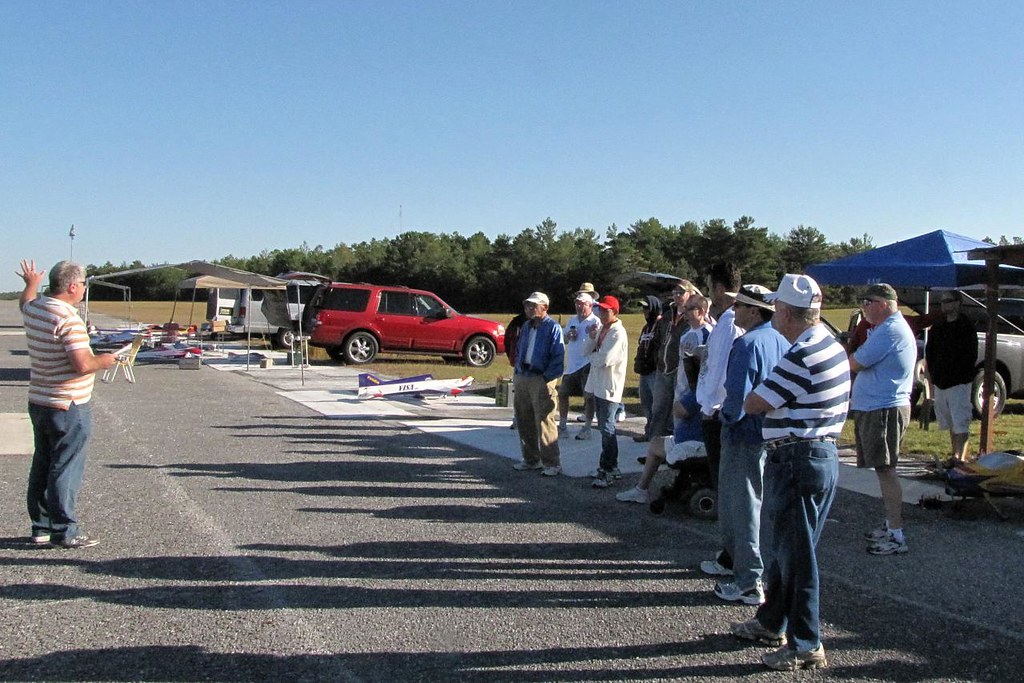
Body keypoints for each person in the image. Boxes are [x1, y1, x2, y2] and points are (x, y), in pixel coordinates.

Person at [730, 273, 850, 672]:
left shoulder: (800, 355)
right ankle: (771, 622)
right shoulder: (829, 345)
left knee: (797, 559)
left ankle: (806, 643)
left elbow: (754, 402)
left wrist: (758, 393)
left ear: (783, 311)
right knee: (789, 553)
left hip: (796, 458)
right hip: (819, 454)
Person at [17, 259, 117, 549]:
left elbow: (25, 302)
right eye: (84, 284)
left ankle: (41, 525)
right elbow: (82, 364)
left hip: (39, 399)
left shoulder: (36, 308)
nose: (84, 289)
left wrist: (30, 284)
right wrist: (107, 360)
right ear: (73, 286)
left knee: (43, 462)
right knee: (65, 467)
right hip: (68, 403)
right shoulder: (69, 319)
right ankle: (65, 530)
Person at [711, 285, 789, 606]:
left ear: (754, 311)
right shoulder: (781, 341)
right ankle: (732, 559)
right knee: (756, 501)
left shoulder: (746, 344)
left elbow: (737, 398)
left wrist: (724, 419)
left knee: (742, 504)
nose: (735, 311)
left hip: (744, 433)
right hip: (771, 433)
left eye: (741, 306)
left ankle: (748, 580)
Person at [850, 283, 917, 555]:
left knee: (887, 470)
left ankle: (897, 534)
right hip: (878, 408)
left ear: (885, 304)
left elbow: (856, 361)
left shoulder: (889, 330)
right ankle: (891, 524)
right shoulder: (884, 329)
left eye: (869, 301)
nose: (864, 306)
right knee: (882, 469)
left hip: (885, 410)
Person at [696, 262, 743, 578]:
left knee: (725, 486)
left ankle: (730, 555)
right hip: (723, 410)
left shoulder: (728, 323)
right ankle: (735, 550)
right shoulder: (732, 319)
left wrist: (709, 407)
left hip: (718, 412)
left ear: (717, 288)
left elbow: (719, 372)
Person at [617, 352, 705, 503]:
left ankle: (641, 489)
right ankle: (669, 485)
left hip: (695, 443)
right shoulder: (704, 389)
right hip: (689, 439)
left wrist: (678, 400)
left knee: (656, 446)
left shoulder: (701, 390)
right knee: (657, 442)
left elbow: (679, 411)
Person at [512, 292, 565, 476]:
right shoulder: (526, 326)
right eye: (527, 305)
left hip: (541, 378)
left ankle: (552, 463)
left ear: (545, 308)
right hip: (523, 376)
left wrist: (547, 377)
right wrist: (517, 371)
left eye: (534, 306)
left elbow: (558, 355)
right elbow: (520, 349)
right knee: (523, 419)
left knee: (544, 420)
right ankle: (531, 459)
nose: (529, 309)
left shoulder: (553, 327)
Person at [924, 291, 978, 464]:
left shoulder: (966, 326)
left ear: (957, 303)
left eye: (947, 301)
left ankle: (960, 456)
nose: (943, 305)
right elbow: (930, 351)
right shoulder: (938, 327)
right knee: (948, 420)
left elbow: (971, 354)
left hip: (959, 381)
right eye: (941, 302)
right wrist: (932, 375)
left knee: (960, 419)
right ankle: (954, 453)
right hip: (941, 381)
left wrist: (960, 371)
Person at [583, 296, 629, 488]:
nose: (601, 314)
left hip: (610, 386)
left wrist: (594, 355)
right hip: (598, 384)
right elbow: (586, 351)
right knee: (604, 427)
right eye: (600, 310)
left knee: (607, 428)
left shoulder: (618, 332)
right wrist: (592, 338)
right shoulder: (602, 329)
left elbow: (606, 359)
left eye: (606, 311)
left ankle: (608, 468)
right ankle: (612, 466)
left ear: (615, 312)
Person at [648, 280, 701, 443]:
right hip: (663, 368)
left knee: (677, 410)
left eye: (681, 292)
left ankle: (675, 445)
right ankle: (653, 446)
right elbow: (658, 338)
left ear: (691, 294)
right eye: (675, 292)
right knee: (658, 409)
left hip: (680, 369)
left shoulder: (693, 315)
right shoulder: (668, 313)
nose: (677, 296)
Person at [558, 290, 600, 439]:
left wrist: (593, 335)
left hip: (587, 363)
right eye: (577, 304)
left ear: (590, 306)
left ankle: (587, 428)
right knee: (562, 393)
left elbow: (598, 342)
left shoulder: (595, 321)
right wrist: (568, 335)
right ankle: (562, 426)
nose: (580, 307)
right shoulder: (572, 320)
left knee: (588, 397)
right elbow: (566, 338)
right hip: (571, 365)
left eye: (583, 304)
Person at [631, 295, 664, 442]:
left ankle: (656, 434)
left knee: (656, 405)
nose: (644, 311)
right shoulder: (646, 327)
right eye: (643, 308)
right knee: (646, 402)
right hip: (644, 371)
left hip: (655, 371)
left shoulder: (661, 325)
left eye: (647, 308)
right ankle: (648, 431)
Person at [504, 309, 530, 429]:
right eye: (528, 305)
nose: (531, 308)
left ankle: (530, 420)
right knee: (519, 393)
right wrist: (512, 357)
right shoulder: (516, 322)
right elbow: (508, 340)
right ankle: (517, 418)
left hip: (535, 365)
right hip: (519, 364)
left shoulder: (543, 324)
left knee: (533, 393)